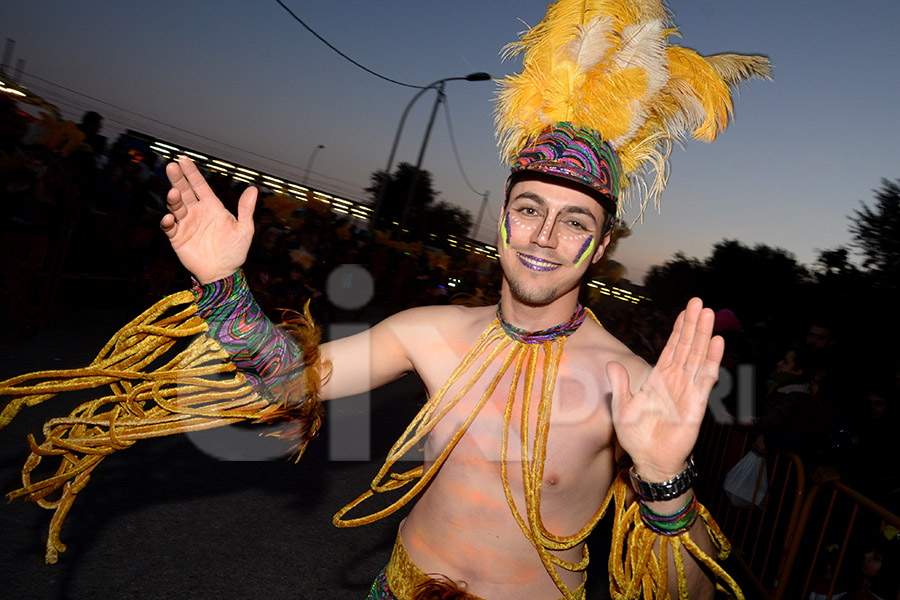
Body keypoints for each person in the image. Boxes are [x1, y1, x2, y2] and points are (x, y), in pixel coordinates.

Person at [2, 1, 770, 598]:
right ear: (501, 219)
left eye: (576, 222)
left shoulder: (627, 384)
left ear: (600, 248)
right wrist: (222, 290)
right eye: (529, 208)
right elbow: (291, 385)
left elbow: (685, 592)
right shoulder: (430, 331)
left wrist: (667, 485)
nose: (544, 235)